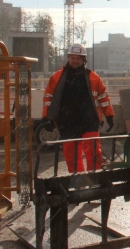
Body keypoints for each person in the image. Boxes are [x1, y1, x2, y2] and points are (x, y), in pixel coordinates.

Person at [42, 43, 114, 173]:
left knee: (94, 154)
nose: (75, 61)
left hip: (89, 121)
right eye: (72, 58)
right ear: (68, 58)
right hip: (67, 123)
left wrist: (109, 115)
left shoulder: (93, 78)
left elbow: (103, 97)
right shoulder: (56, 77)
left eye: (78, 58)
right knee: (71, 156)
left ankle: (95, 179)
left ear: (83, 60)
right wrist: (47, 118)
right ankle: (78, 181)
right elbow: (48, 98)